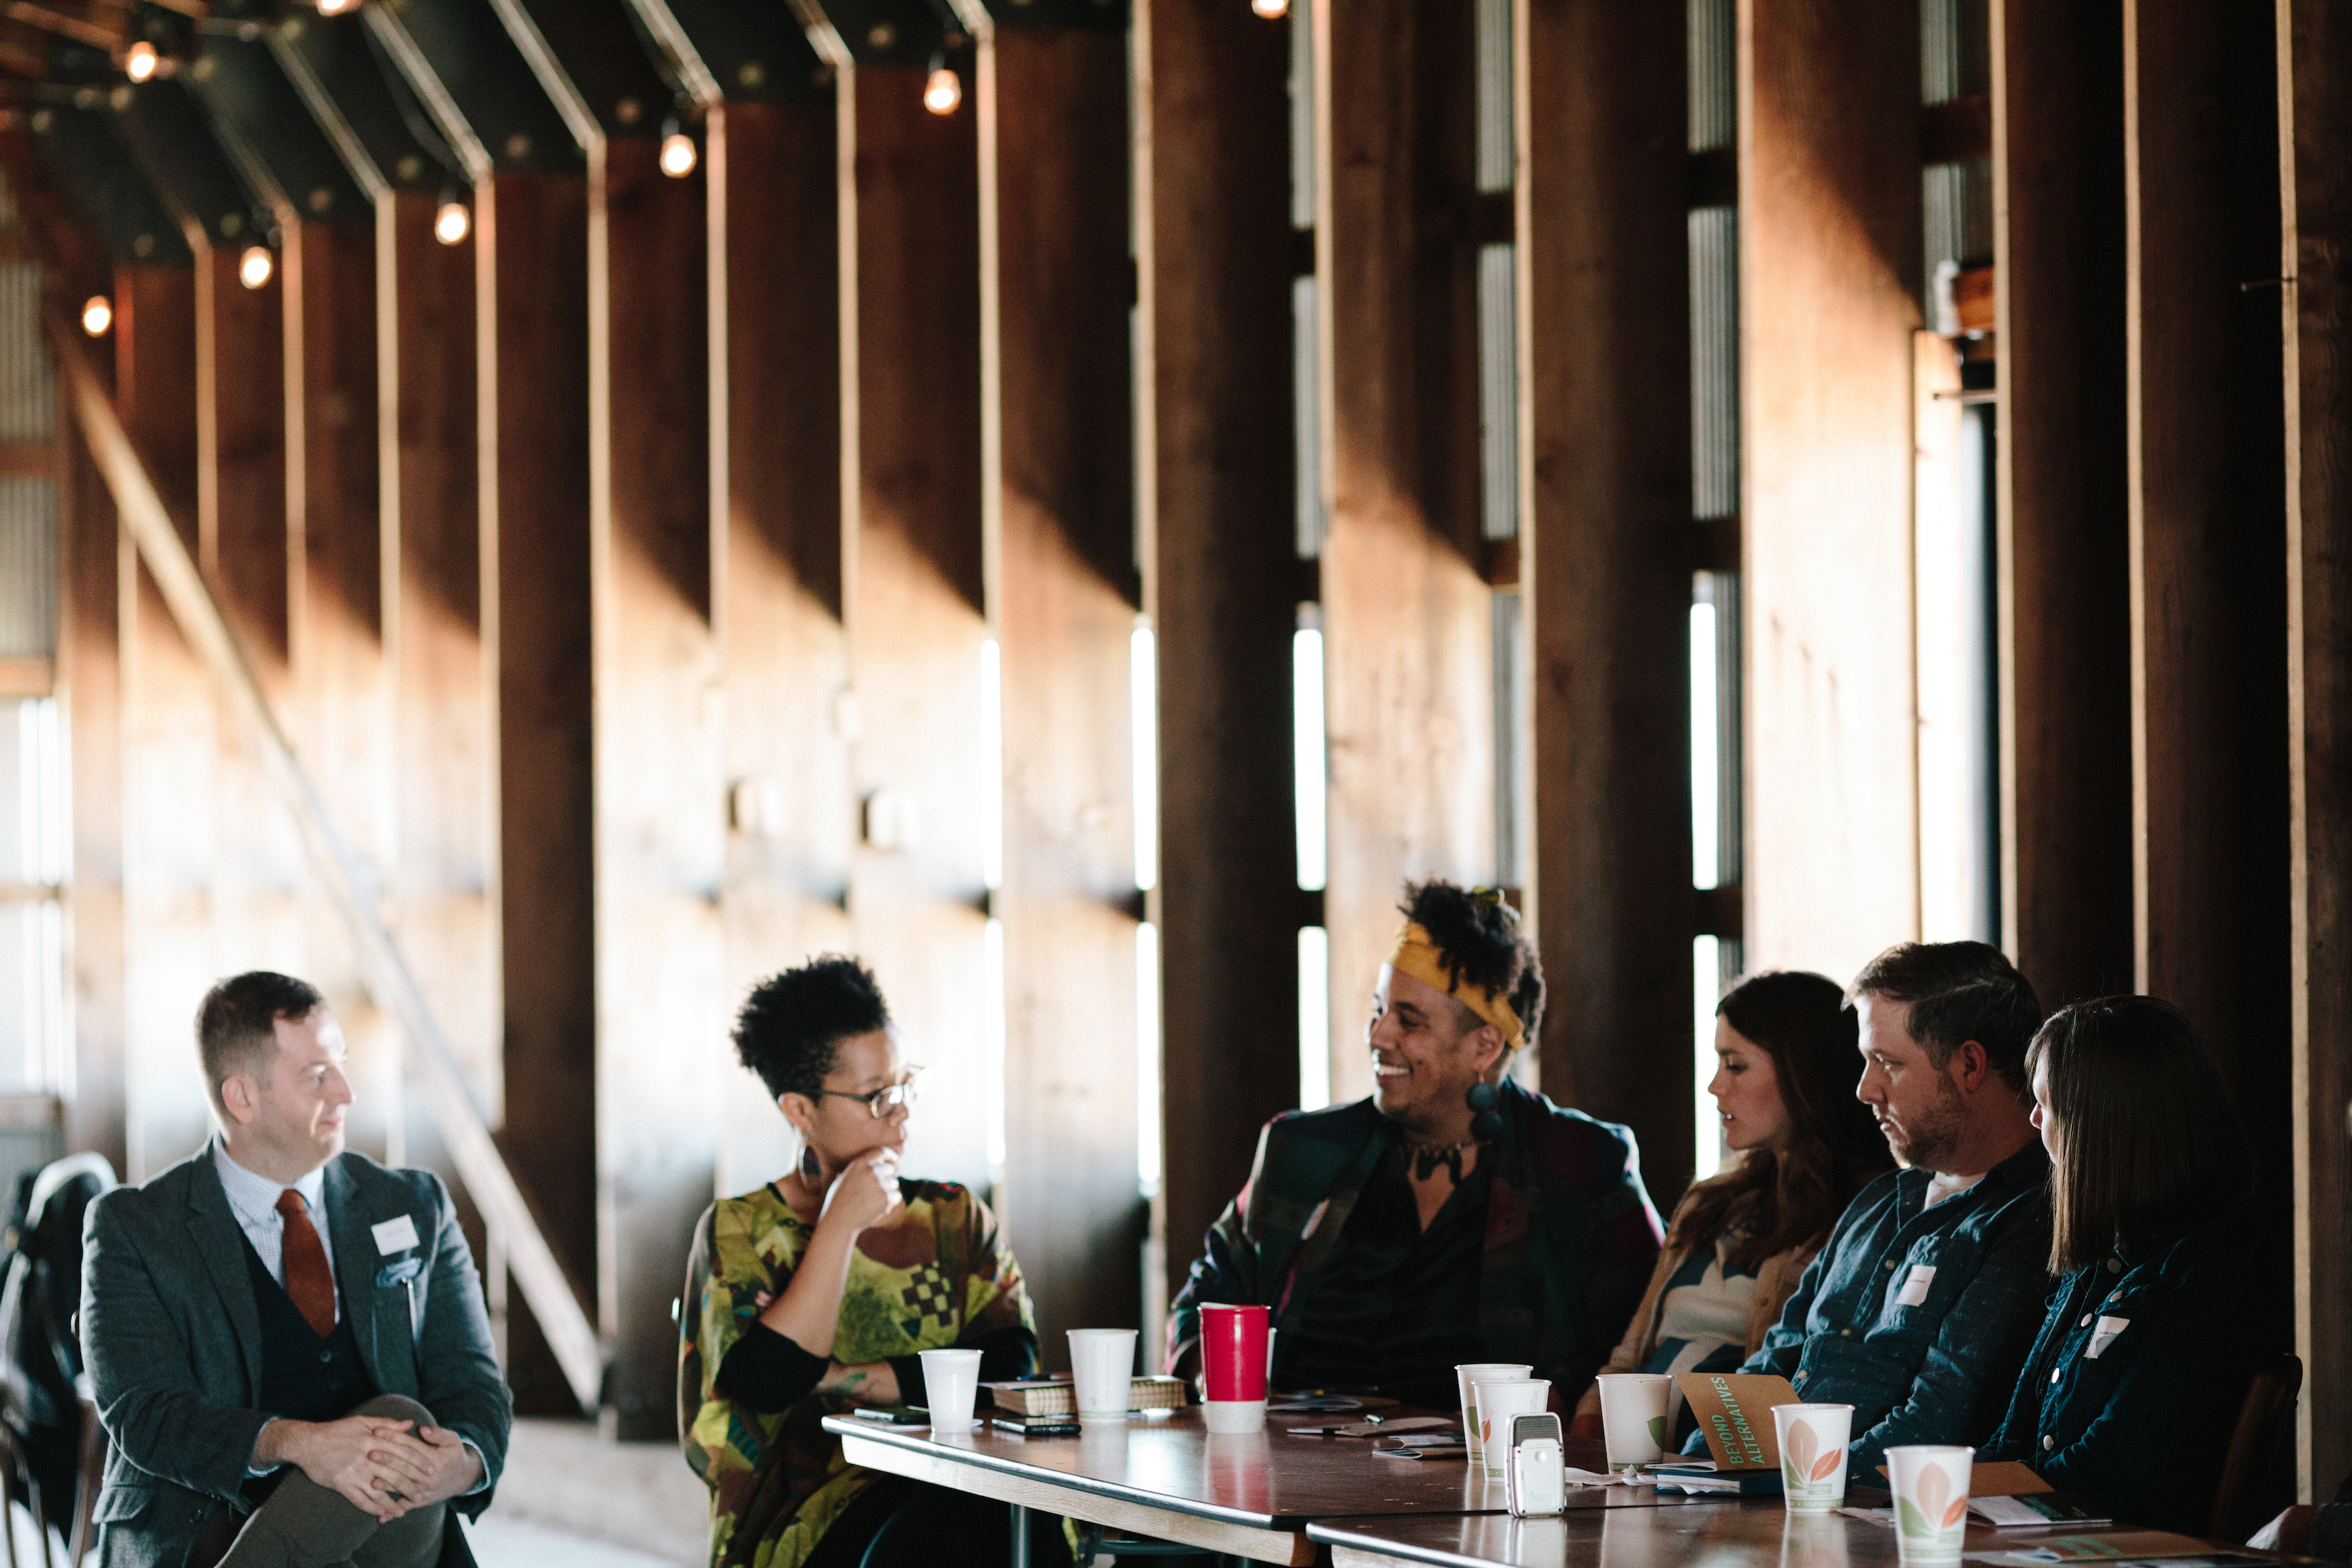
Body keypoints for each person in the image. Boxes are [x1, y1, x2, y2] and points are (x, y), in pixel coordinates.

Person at [1167, 879, 1663, 1411]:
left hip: (1486, 1477)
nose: (1379, 1036)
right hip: (1285, 1468)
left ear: (1484, 1045)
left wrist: (1566, 1410)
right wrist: (1212, 1377)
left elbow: (1638, 1342)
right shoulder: (1300, 1151)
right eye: (1379, 1010)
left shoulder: (1581, 1163)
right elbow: (1206, 1299)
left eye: (1410, 1021)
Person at [81, 972, 512, 1568]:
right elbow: (145, 1412)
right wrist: (300, 1444)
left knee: (404, 1427)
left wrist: (459, 1464)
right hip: (205, 1531)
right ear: (243, 1099)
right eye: (318, 1076)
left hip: (393, 1535)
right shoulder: (135, 1227)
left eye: (342, 1065)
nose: (346, 1093)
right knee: (395, 1429)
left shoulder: (413, 1205)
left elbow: (472, 1380)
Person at [679, 956, 1062, 1568]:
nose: (902, 1111)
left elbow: (1012, 1367)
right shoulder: (739, 1231)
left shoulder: (954, 1216)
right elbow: (770, 1383)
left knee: (1014, 1520)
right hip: (809, 1516)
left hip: (971, 1483)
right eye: (879, 1096)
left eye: (907, 1084)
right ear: (799, 1112)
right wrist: (839, 1226)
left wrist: (836, 1378)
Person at [1690, 940, 2052, 1480]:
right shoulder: (1879, 1202)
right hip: (1776, 1500)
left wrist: (1783, 1486)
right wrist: (1692, 1466)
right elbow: (1771, 1366)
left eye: (1886, 1062)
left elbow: (1934, 1427)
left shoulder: (2030, 1220)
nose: (1865, 1090)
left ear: (1970, 1065)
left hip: (1870, 1521)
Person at [1981, 998, 2283, 1533]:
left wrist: (1978, 1501)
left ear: (2101, 1119)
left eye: (2046, 1102)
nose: (2032, 1119)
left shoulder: (2219, 1265)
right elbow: (2014, 1436)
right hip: (2041, 1534)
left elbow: (2119, 1472)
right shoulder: (2103, 1255)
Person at [1572, 971, 1891, 1441]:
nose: (1715, 1086)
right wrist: (1585, 1436)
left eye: (1735, 1065)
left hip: (1729, 1460)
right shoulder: (1709, 1200)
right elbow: (1631, 1353)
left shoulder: (1873, 1214)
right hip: (1635, 1454)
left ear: (1805, 1071)